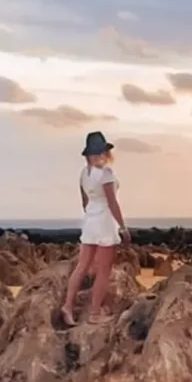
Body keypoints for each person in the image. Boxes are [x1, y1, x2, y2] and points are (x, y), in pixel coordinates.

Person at [62, 131, 130, 325]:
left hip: (90, 222)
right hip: (105, 223)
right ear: (102, 151)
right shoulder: (106, 173)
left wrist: (92, 215)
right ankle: (94, 313)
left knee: (81, 267)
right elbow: (112, 203)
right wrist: (123, 228)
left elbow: (85, 203)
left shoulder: (84, 174)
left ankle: (67, 306)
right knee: (103, 270)